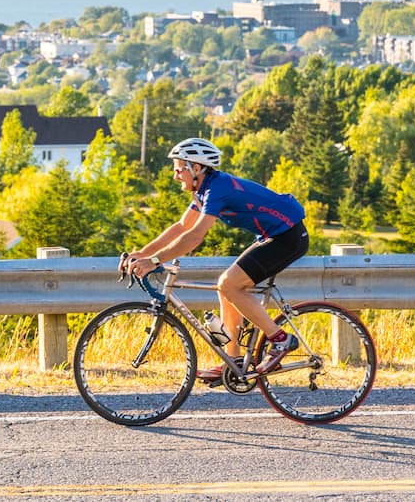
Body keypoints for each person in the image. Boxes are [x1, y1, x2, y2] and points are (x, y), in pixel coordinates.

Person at [123, 137, 309, 381]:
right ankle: (233, 362)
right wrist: (142, 254)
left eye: (179, 168)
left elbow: (194, 237)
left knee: (229, 284)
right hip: (272, 235)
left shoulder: (217, 189)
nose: (175, 174)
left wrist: (154, 261)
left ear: (196, 168)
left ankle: (281, 340)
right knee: (226, 289)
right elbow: (181, 227)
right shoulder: (202, 191)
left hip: (288, 236)